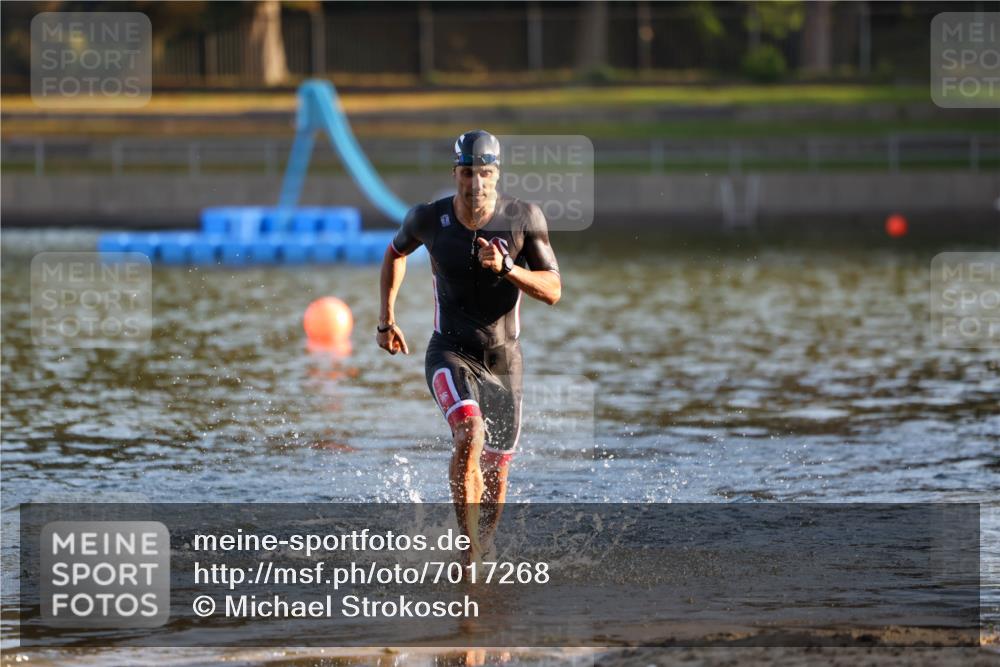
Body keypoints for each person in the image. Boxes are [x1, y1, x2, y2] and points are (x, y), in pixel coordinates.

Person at [376, 130, 561, 567]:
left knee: (497, 469)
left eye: (484, 174)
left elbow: (554, 289)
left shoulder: (522, 218)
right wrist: (386, 321)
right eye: (466, 173)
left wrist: (509, 268)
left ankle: (483, 548)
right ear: (454, 174)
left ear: (496, 176)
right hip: (450, 352)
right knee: (470, 433)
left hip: (504, 360)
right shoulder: (428, 218)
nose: (475, 184)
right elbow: (394, 252)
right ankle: (469, 549)